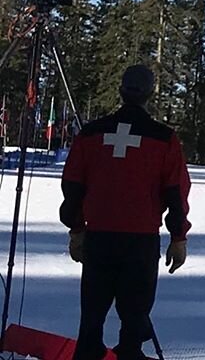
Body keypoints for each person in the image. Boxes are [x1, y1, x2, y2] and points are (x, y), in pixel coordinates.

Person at [60, 65, 191, 360]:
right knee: (133, 324)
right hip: (140, 243)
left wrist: (76, 229)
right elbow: (176, 192)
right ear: (150, 93)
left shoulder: (91, 134)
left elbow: (72, 184)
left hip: (98, 239)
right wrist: (178, 237)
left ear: (121, 91)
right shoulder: (164, 139)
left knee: (91, 322)